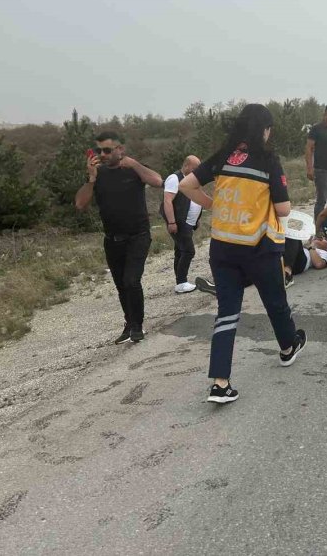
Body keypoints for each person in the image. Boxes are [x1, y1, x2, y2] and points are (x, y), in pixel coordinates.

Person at [179, 103, 307, 405]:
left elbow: (186, 184)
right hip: (258, 247)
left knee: (227, 313)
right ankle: (288, 347)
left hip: (222, 247)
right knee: (275, 301)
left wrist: (213, 204)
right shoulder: (268, 160)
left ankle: (220, 383)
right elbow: (283, 209)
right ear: (264, 130)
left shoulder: (223, 155)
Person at [75, 131, 163, 344]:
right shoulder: (98, 174)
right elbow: (80, 204)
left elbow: (158, 181)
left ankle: (138, 327)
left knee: (131, 281)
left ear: (120, 149)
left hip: (138, 236)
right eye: (99, 150)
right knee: (121, 285)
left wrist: (134, 165)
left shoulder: (132, 169)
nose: (102, 154)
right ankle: (130, 323)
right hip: (112, 239)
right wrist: (91, 179)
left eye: (107, 150)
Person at [193, 236, 327, 294]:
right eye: (318, 237)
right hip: (288, 257)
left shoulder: (325, 253)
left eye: (323, 239)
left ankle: (287, 274)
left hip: (300, 262)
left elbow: (319, 264)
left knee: (293, 238)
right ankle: (223, 289)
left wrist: (311, 247)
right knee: (258, 267)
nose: (319, 238)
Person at [162, 155, 202, 294]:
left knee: (180, 251)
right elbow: (167, 201)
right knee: (189, 251)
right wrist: (172, 222)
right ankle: (181, 282)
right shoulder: (174, 179)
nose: (197, 171)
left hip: (188, 223)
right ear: (186, 166)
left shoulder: (189, 180)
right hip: (179, 222)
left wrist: (196, 219)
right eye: (195, 168)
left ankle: (180, 281)